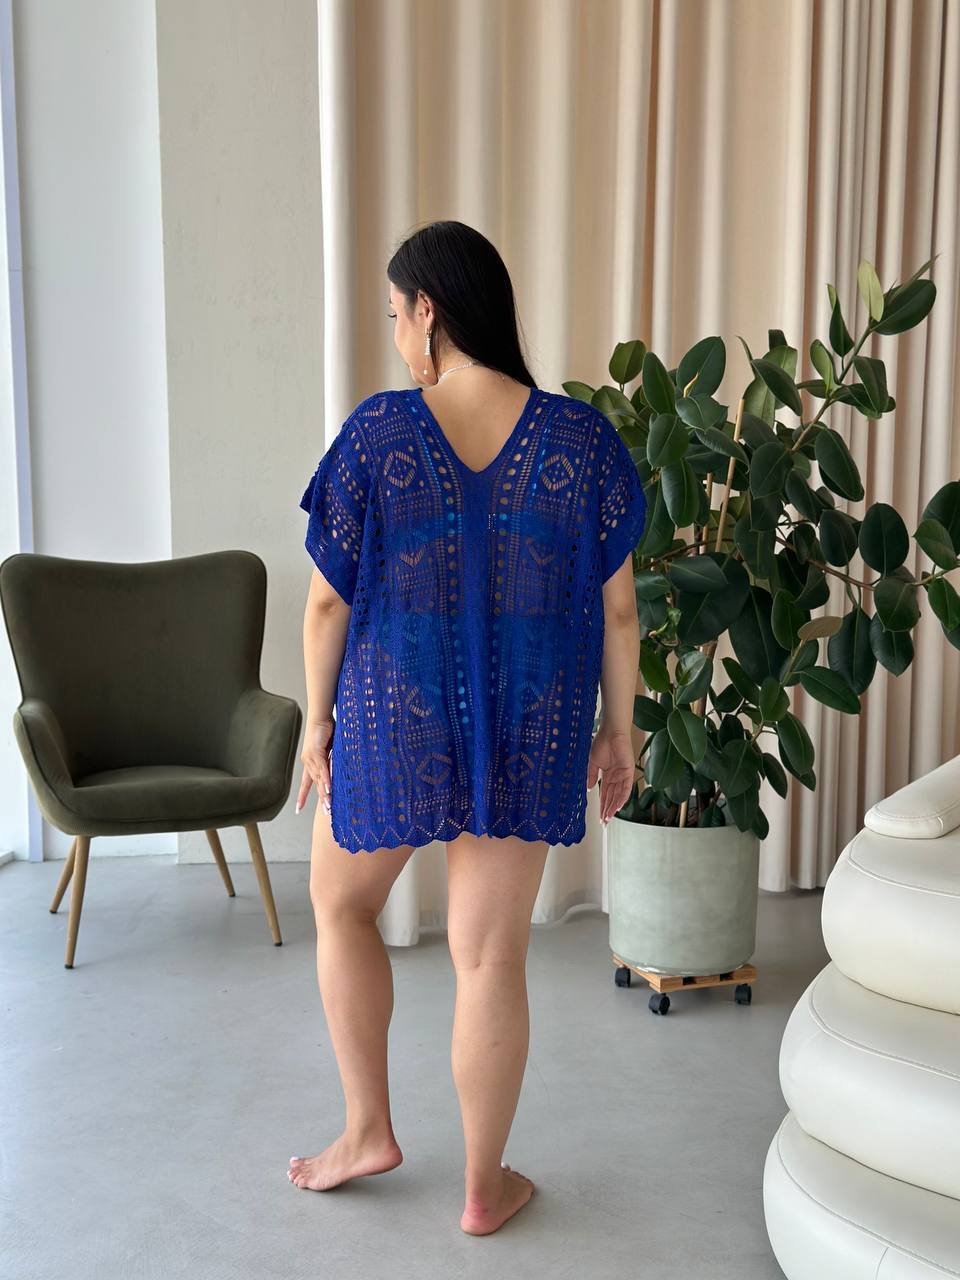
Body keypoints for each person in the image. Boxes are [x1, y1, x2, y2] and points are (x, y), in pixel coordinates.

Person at [289, 220, 647, 1235]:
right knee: (490, 958)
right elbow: (621, 612)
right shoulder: (581, 442)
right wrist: (618, 735)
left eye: (396, 315)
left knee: (340, 905)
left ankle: (368, 1128)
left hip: (392, 722)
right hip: (530, 725)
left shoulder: (377, 433)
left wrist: (317, 721)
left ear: (429, 310)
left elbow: (327, 602)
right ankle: (485, 1186)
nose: (398, 336)